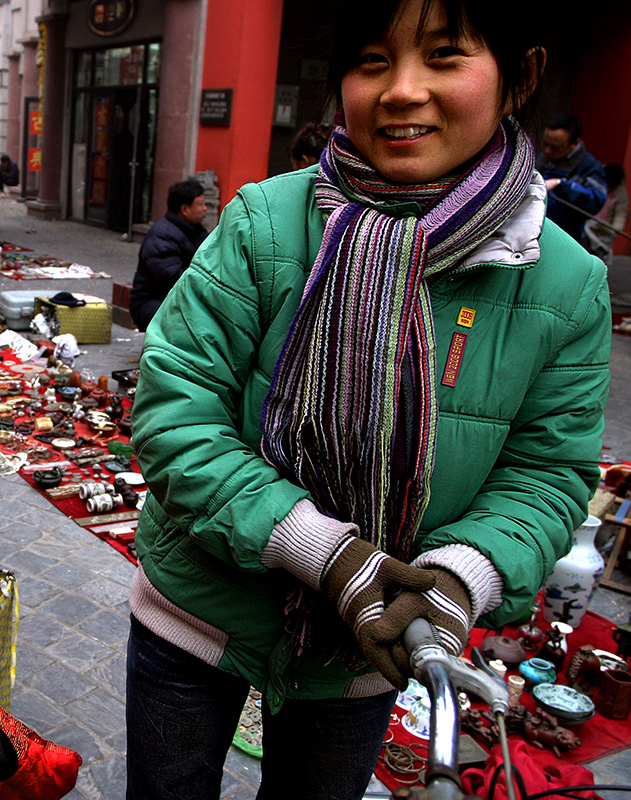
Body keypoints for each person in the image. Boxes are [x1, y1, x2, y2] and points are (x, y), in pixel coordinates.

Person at [126, 3, 609, 800]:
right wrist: (332, 556)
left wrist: (456, 580)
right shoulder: (264, 223)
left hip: (366, 653)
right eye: (374, 61)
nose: (402, 91)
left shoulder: (565, 282)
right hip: (196, 620)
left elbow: (547, 472)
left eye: (445, 56)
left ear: (519, 76)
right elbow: (176, 412)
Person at [128, 180, 208, 332]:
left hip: (176, 298)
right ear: (184, 209)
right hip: (151, 302)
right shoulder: (162, 235)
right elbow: (172, 278)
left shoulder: (195, 231)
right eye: (201, 204)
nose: (205, 209)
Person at [538, 114, 607, 245]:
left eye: (556, 147)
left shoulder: (590, 167)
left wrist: (562, 184)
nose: (548, 151)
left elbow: (595, 201)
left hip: (565, 240)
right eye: (545, 144)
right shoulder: (539, 159)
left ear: (574, 143)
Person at [583, 163, 628, 264]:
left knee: (600, 256)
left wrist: (615, 229)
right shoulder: (597, 184)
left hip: (605, 229)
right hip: (589, 222)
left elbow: (620, 214)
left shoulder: (620, 192)